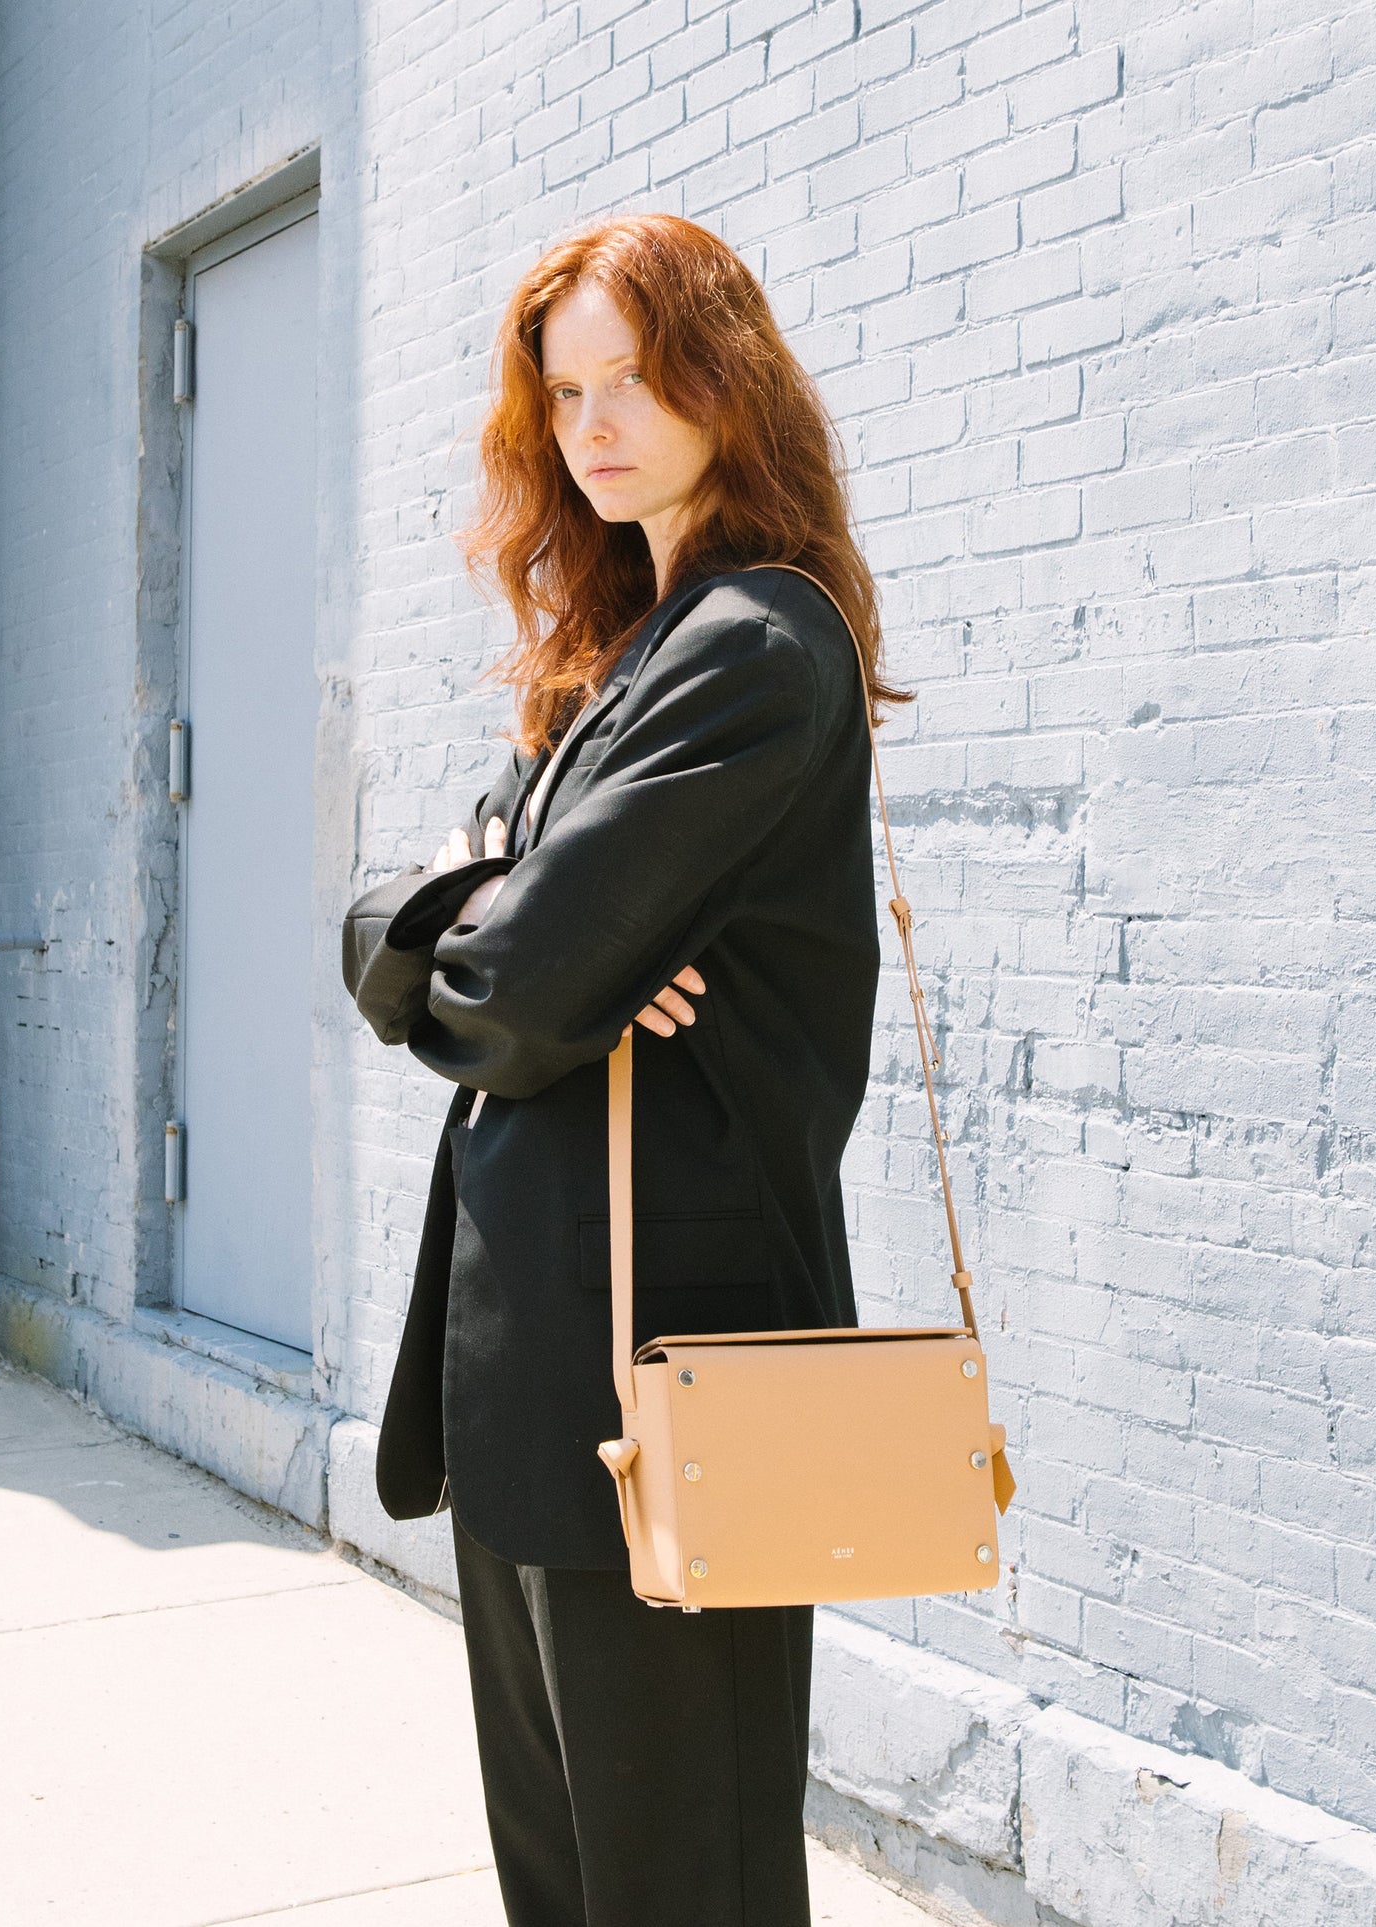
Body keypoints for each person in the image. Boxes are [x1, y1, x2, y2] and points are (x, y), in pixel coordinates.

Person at [352, 213, 912, 1927]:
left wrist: (520, 939)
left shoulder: (753, 642)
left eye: (632, 378)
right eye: (563, 390)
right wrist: (493, 909)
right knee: (569, 1876)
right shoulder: (614, 655)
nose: (591, 426)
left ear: (724, 381)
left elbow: (511, 992)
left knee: (681, 1877)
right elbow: (433, 924)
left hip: (672, 1378)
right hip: (540, 1373)